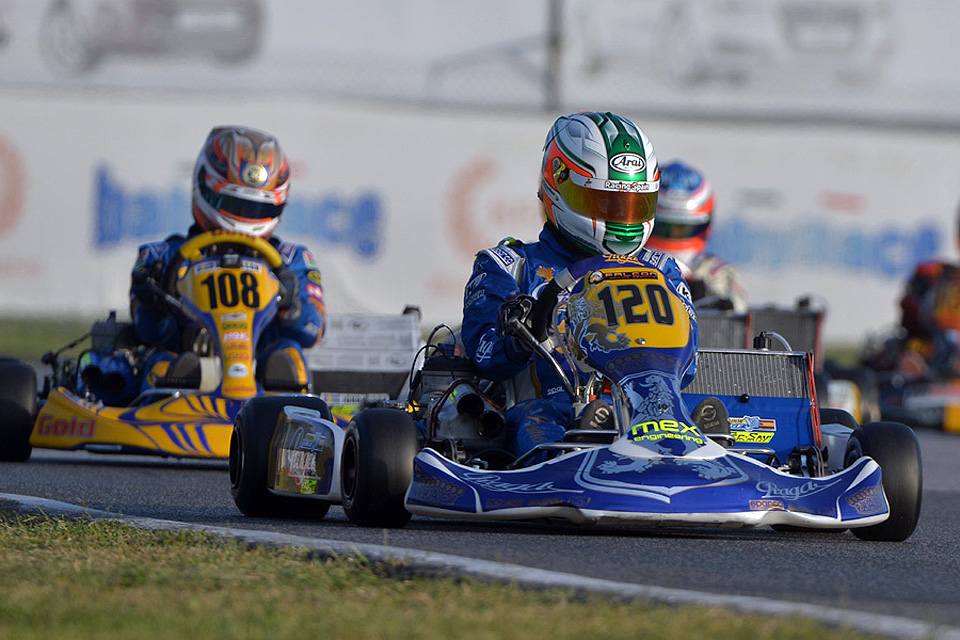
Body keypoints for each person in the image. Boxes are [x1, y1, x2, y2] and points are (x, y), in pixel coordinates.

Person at [460, 111, 699, 460]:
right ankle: (574, 454)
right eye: (604, 203)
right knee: (536, 422)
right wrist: (519, 337)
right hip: (552, 405)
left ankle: (700, 454)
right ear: (560, 188)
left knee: (717, 417)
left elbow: (688, 366)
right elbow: (485, 357)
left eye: (633, 206)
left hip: (653, 409)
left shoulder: (663, 270)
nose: (621, 219)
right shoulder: (509, 267)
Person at [81, 126, 325, 403]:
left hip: (260, 376)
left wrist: (292, 307)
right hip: (189, 363)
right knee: (162, 359)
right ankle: (168, 396)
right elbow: (150, 332)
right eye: (234, 204)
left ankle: (286, 404)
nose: (245, 218)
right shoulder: (161, 256)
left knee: (290, 353)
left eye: (258, 210)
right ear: (205, 187)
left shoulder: (292, 260)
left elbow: (311, 331)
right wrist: (156, 304)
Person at [644, 160, 747, 313]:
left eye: (683, 228)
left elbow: (739, 315)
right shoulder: (629, 263)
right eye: (665, 227)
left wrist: (707, 298)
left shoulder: (717, 273)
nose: (674, 234)